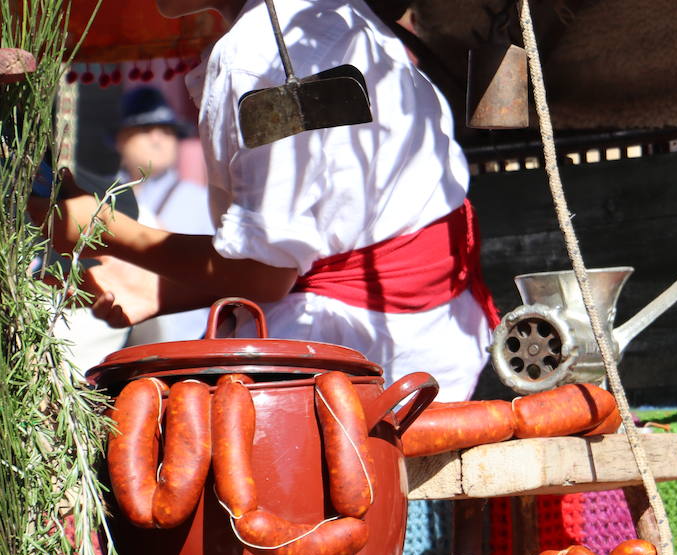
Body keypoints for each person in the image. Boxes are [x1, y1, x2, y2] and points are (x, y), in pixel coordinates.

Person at [35, 0, 497, 401]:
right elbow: (306, 252)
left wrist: (102, 229)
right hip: (429, 356)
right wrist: (161, 289)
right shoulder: (331, 16)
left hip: (342, 380)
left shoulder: (262, 54)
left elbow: (266, 274)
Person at [114, 86, 217, 345]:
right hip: (111, 337)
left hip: (185, 342)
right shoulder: (101, 199)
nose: (158, 139)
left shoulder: (203, 202)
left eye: (167, 131)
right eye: (146, 130)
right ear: (121, 139)